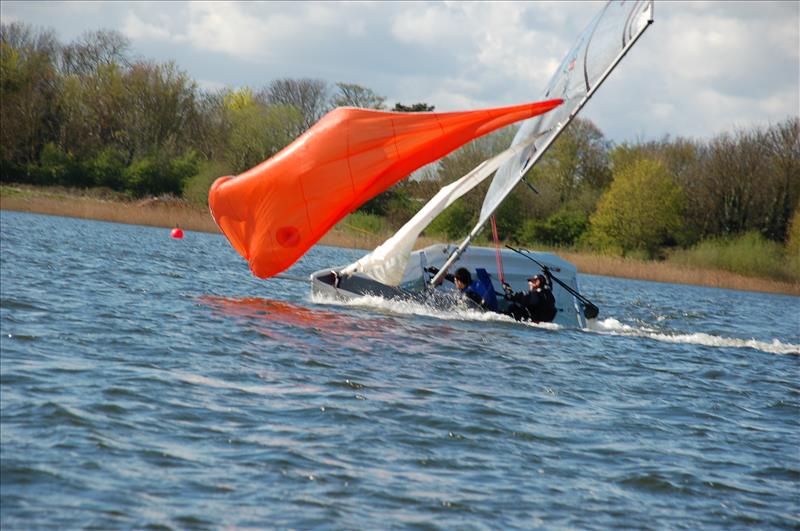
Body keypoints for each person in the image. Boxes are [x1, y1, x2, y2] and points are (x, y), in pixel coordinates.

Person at [425, 266, 498, 311]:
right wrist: (436, 271)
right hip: (494, 306)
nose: (454, 281)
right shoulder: (475, 282)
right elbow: (452, 277)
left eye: (456, 280)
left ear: (459, 281)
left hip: (488, 311)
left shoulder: (468, 293)